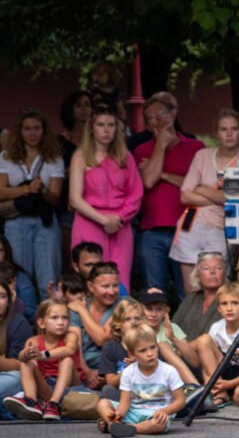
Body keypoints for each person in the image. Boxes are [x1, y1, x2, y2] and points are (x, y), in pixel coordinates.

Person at [134, 92, 204, 296]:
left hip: (187, 227)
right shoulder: (142, 150)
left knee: (189, 291)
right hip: (152, 229)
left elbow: (196, 187)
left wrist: (163, 174)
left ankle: (189, 328)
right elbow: (148, 181)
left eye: (162, 113)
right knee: (154, 292)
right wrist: (161, 146)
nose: (159, 119)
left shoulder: (196, 147)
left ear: (172, 114)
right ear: (147, 125)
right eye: (152, 117)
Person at [68, 109, 143, 289]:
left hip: (120, 224)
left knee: (120, 277)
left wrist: (120, 218)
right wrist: (103, 220)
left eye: (111, 125)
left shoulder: (126, 156)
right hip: (90, 221)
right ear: (92, 129)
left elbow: (136, 193)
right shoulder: (80, 156)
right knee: (91, 277)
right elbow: (75, 199)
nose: (106, 130)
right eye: (101, 125)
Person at [0, 108, 65, 308]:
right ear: (19, 132)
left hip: (44, 221)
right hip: (16, 221)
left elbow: (54, 198)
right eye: (27, 129)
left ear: (44, 131)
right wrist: (27, 189)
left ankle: (51, 321)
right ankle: (23, 321)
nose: (32, 133)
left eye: (37, 128)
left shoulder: (54, 157)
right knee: (20, 275)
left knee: (48, 277)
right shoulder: (6, 156)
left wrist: (42, 190)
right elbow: (1, 192)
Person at [175, 108, 239, 291]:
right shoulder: (202, 156)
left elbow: (234, 201)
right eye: (223, 129)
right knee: (190, 289)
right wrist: (219, 198)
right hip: (192, 223)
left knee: (217, 286)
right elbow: (184, 195)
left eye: (234, 129)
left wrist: (202, 189)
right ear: (216, 133)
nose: (229, 134)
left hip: (220, 228)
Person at [95, 323, 186, 438]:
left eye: (153, 347)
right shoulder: (128, 372)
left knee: (159, 425)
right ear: (132, 354)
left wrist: (165, 411)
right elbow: (124, 404)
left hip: (156, 415)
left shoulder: (169, 371)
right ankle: (115, 424)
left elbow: (180, 401)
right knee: (102, 403)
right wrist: (117, 414)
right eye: (143, 350)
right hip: (133, 412)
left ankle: (128, 428)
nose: (150, 354)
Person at [2, 298, 74, 420]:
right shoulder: (33, 341)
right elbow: (21, 359)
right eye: (54, 318)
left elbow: (69, 350)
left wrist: (43, 355)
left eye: (65, 318)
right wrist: (26, 354)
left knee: (67, 359)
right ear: (41, 323)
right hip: (46, 387)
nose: (61, 322)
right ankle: (31, 402)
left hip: (68, 389)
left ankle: (54, 404)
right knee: (25, 363)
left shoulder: (70, 336)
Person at [194, 282, 239, 406]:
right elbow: (207, 360)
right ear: (219, 308)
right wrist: (210, 380)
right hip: (223, 371)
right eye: (224, 304)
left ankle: (225, 392)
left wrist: (229, 384)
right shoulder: (216, 327)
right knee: (203, 340)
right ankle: (220, 392)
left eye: (235, 303)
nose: (229, 308)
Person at [69, 262, 122, 385]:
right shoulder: (75, 309)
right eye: (105, 286)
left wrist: (82, 311)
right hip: (81, 369)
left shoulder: (124, 304)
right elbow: (74, 346)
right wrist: (86, 372)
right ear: (91, 287)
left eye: (115, 285)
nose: (111, 291)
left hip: (114, 369)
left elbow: (102, 339)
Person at [173, 251, 228, 340]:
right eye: (206, 268)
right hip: (181, 350)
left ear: (224, 273)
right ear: (198, 275)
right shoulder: (191, 298)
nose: (212, 272)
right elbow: (173, 327)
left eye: (218, 268)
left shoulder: (230, 300)